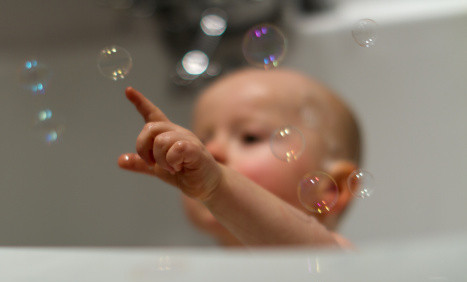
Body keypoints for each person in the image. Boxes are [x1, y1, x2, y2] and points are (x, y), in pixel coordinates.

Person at [118, 68, 361, 248]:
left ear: (331, 189)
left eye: (250, 137)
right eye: (202, 140)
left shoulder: (335, 260)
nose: (211, 151)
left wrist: (218, 186)